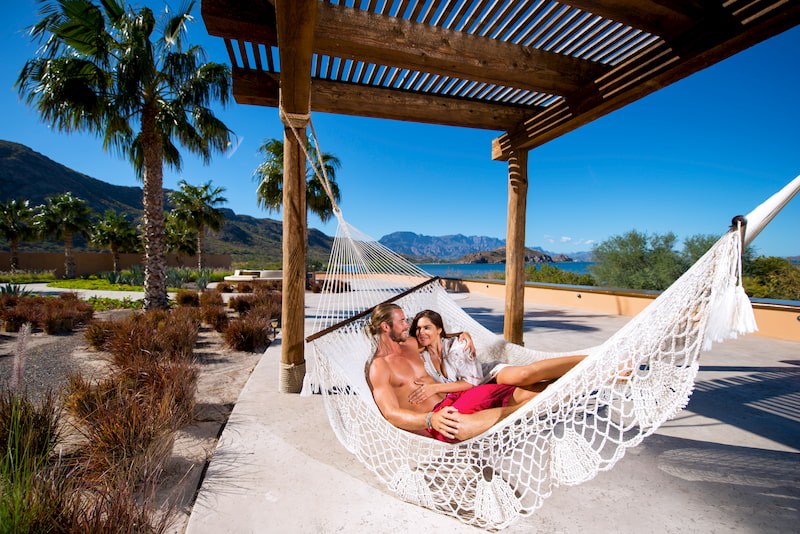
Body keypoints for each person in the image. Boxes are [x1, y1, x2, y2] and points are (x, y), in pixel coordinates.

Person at [366, 303, 535, 443]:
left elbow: (435, 336)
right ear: (386, 326)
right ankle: (531, 408)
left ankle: (551, 393)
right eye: (401, 321)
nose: (407, 326)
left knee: (520, 392)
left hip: (456, 397)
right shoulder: (379, 367)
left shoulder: (410, 343)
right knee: (461, 428)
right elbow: (390, 414)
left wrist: (462, 334)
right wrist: (430, 419)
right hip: (438, 419)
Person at [407, 309, 587, 406]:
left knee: (524, 375)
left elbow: (472, 383)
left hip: (487, 376)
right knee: (533, 390)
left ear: (439, 330)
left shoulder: (458, 346)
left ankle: (588, 361)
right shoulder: (422, 355)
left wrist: (435, 388)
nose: (421, 332)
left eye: (427, 327)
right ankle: (580, 383)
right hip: (475, 394)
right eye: (418, 328)